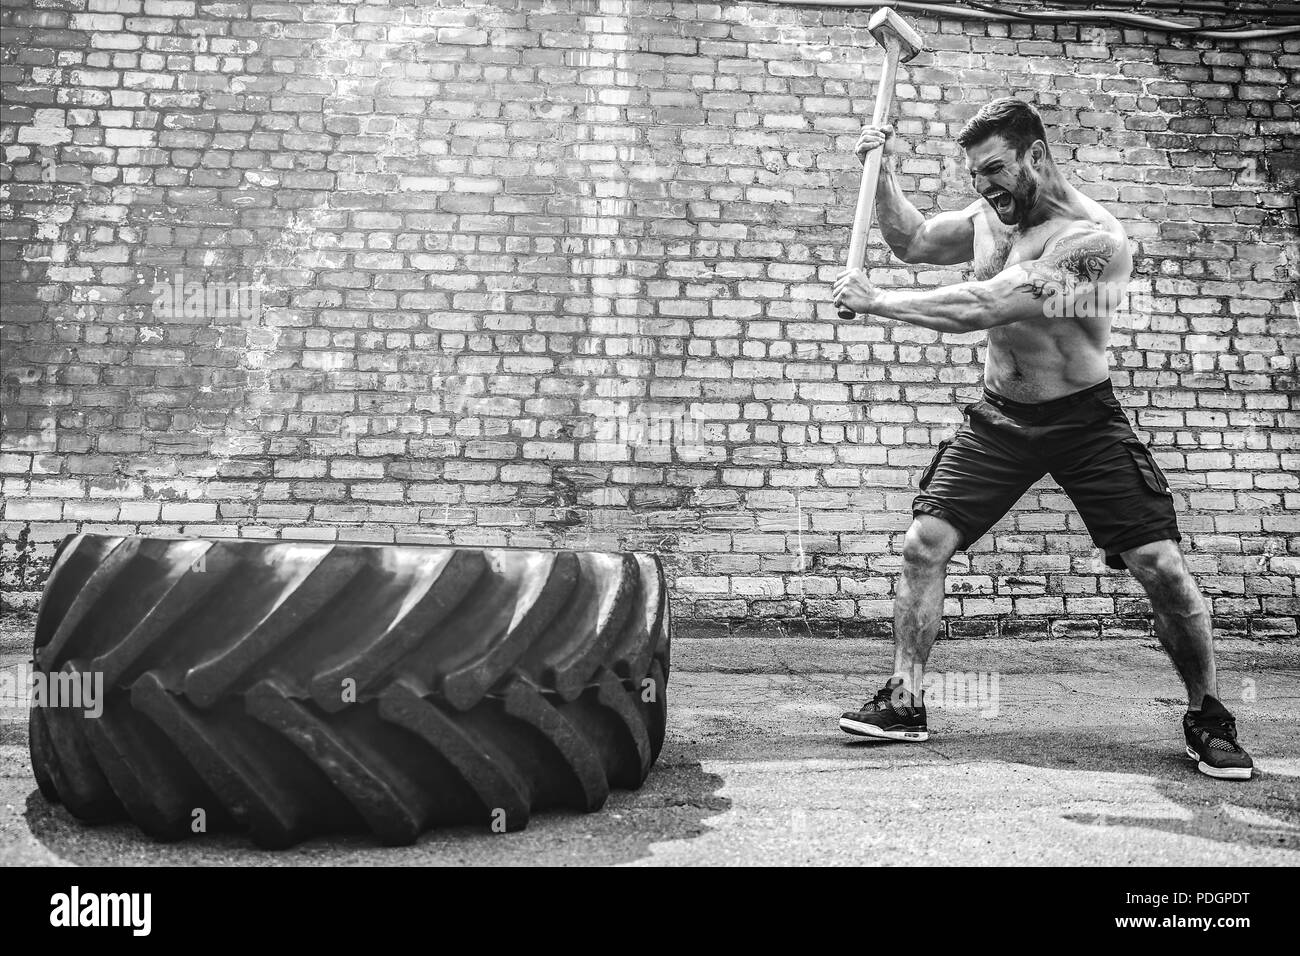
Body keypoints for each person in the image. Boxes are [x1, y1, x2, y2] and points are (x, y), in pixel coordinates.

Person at [831, 97, 1252, 780]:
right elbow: (908, 242)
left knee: (1162, 568)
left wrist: (877, 302)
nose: (984, 186)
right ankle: (905, 699)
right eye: (974, 174)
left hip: (1084, 421)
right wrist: (881, 175)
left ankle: (1208, 715)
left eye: (994, 169)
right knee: (923, 546)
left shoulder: (1092, 240)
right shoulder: (982, 220)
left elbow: (989, 305)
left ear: (1035, 154)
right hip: (1000, 419)